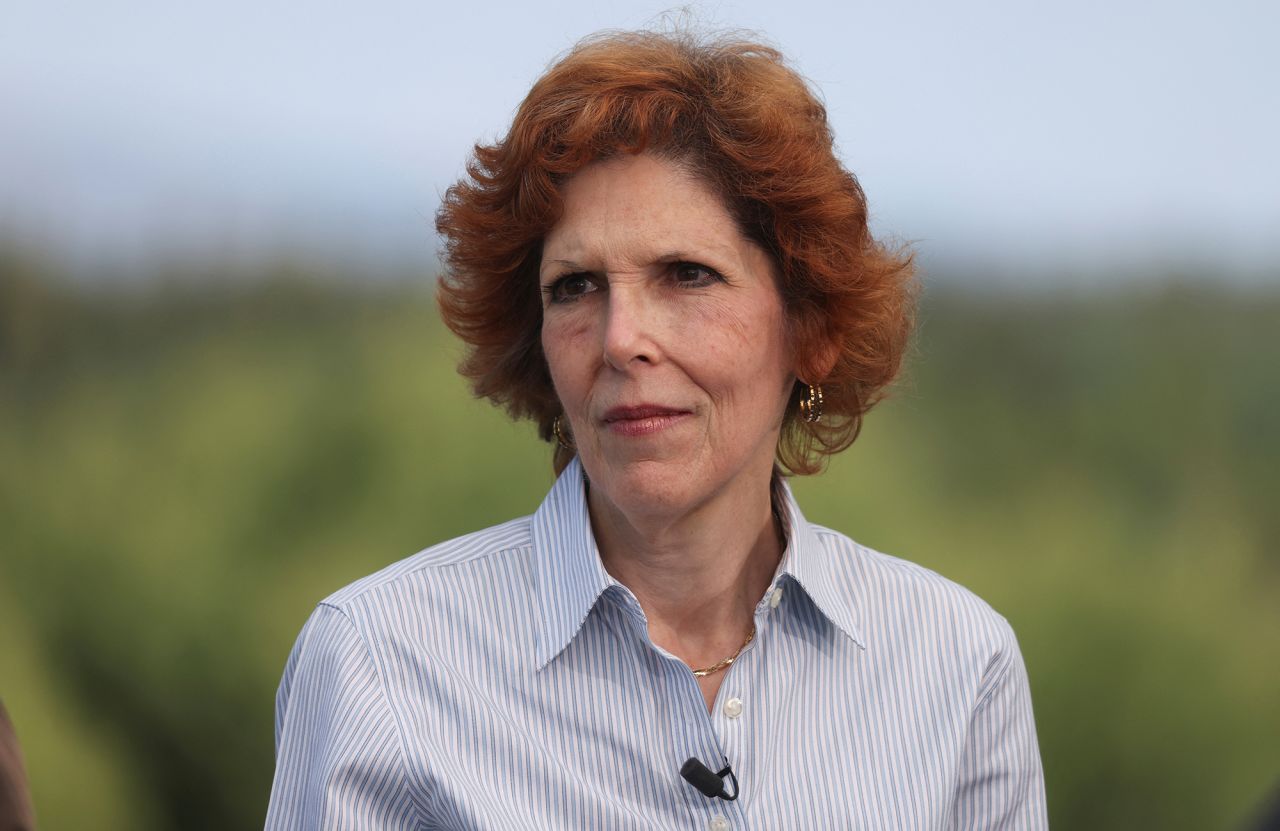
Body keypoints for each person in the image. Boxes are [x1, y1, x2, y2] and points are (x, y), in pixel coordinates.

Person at [266, 28, 1047, 829]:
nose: (619, 338)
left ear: (811, 328)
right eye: (574, 287)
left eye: (686, 275)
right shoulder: (379, 663)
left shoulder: (957, 664)